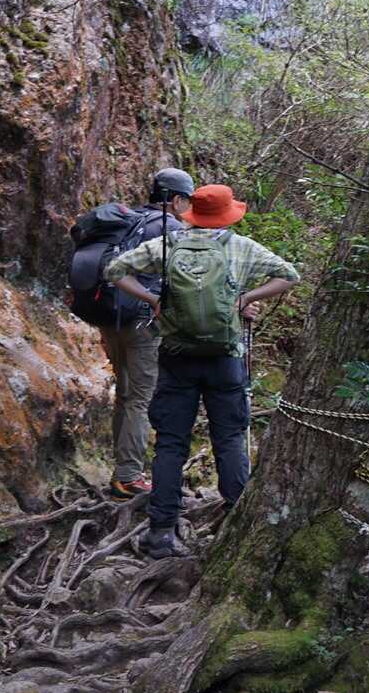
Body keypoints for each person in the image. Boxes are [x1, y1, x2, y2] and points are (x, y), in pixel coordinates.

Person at [105, 183, 299, 559]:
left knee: (171, 443)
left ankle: (161, 533)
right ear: (228, 215)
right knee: (230, 438)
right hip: (225, 359)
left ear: (191, 213)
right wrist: (244, 299)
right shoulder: (240, 247)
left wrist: (153, 300)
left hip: (176, 357)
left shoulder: (169, 244)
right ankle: (236, 528)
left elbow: (115, 270)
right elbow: (289, 275)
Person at [68, 167, 195, 499]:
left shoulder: (131, 220)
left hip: (110, 318)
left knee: (125, 395)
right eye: (188, 200)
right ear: (177, 200)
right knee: (141, 398)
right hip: (143, 324)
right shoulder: (170, 228)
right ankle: (128, 475)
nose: (189, 207)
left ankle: (123, 471)